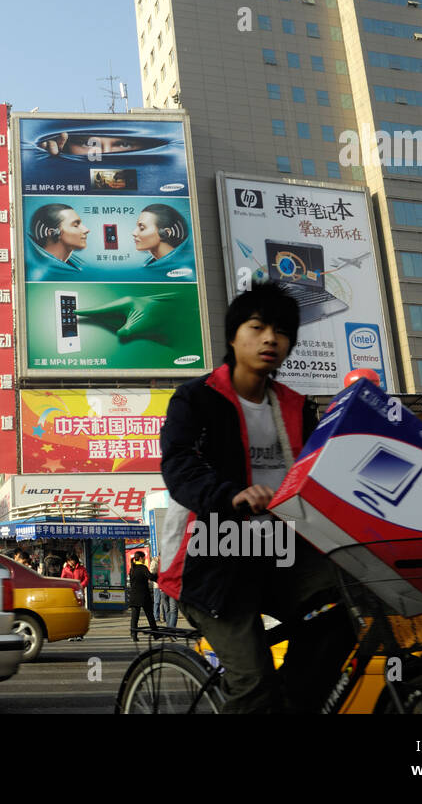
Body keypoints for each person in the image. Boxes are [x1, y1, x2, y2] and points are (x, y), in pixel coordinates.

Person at [155, 282, 353, 713]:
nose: (270, 339)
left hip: (281, 554)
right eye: (258, 326)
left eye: (281, 331)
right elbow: (179, 464)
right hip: (210, 559)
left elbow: (320, 477)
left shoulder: (298, 407)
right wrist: (231, 495)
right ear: (233, 336)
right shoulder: (197, 399)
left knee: (344, 615)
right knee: (253, 682)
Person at [25, 203, 89, 279]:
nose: (86, 230)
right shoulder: (38, 274)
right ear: (53, 233)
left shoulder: (73, 267)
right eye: (75, 225)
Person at [128, 551, 160, 642]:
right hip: (143, 595)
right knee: (150, 615)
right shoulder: (142, 568)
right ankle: (156, 634)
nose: (145, 559)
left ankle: (134, 635)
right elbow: (151, 577)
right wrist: (160, 577)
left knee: (134, 617)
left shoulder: (132, 568)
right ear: (141, 558)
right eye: (144, 558)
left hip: (134, 595)